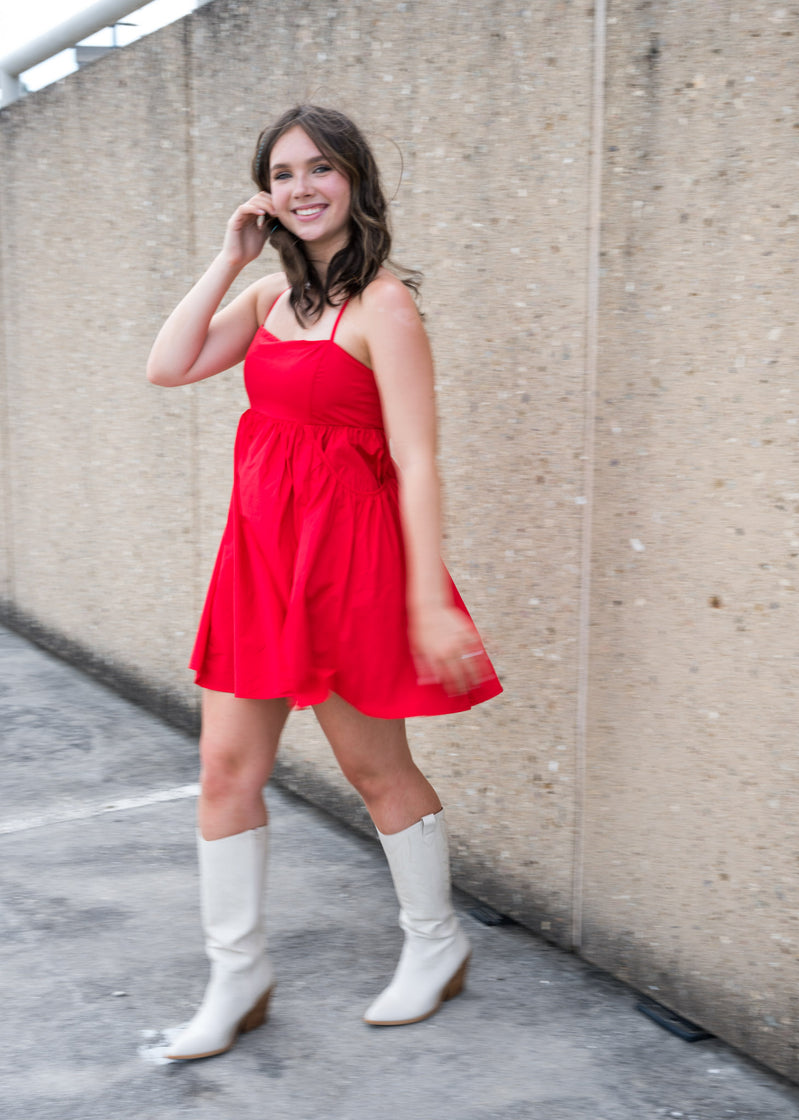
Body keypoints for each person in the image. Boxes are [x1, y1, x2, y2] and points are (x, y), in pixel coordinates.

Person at [146, 104, 502, 1061]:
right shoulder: (266, 300)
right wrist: (228, 256)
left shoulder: (383, 304)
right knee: (226, 769)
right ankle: (237, 977)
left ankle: (437, 944)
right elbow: (167, 366)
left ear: (354, 180)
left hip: (350, 565)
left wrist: (426, 598)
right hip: (259, 560)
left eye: (320, 169)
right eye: (283, 172)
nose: (301, 188)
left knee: (374, 769)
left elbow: (419, 460)